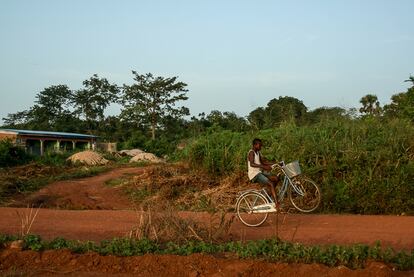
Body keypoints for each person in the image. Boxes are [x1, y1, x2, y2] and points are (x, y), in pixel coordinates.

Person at [247, 138, 280, 205]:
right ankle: (276, 204)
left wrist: (275, 164)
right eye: (260, 145)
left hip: (259, 173)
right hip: (254, 175)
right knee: (270, 184)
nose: (261, 147)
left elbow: (263, 162)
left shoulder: (258, 153)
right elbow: (252, 164)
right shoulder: (251, 152)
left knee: (276, 178)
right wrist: (263, 167)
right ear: (255, 145)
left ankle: (269, 197)